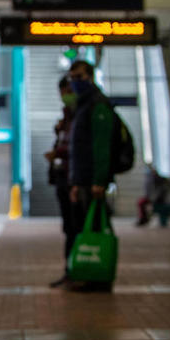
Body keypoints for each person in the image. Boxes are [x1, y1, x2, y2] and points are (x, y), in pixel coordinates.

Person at [61, 59, 114, 291]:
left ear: (91, 77)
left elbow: (102, 146)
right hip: (82, 180)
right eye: (73, 78)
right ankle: (88, 274)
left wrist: (99, 180)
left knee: (94, 228)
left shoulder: (97, 105)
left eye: (80, 77)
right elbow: (78, 149)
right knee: (83, 226)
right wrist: (75, 182)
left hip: (92, 181)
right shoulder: (82, 106)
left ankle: (99, 278)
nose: (76, 83)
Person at [47, 76, 76, 288]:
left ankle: (80, 270)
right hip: (65, 178)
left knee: (76, 227)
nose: (65, 96)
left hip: (74, 179)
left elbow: (81, 147)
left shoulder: (85, 112)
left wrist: (59, 152)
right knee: (69, 227)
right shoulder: (68, 117)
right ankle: (72, 270)